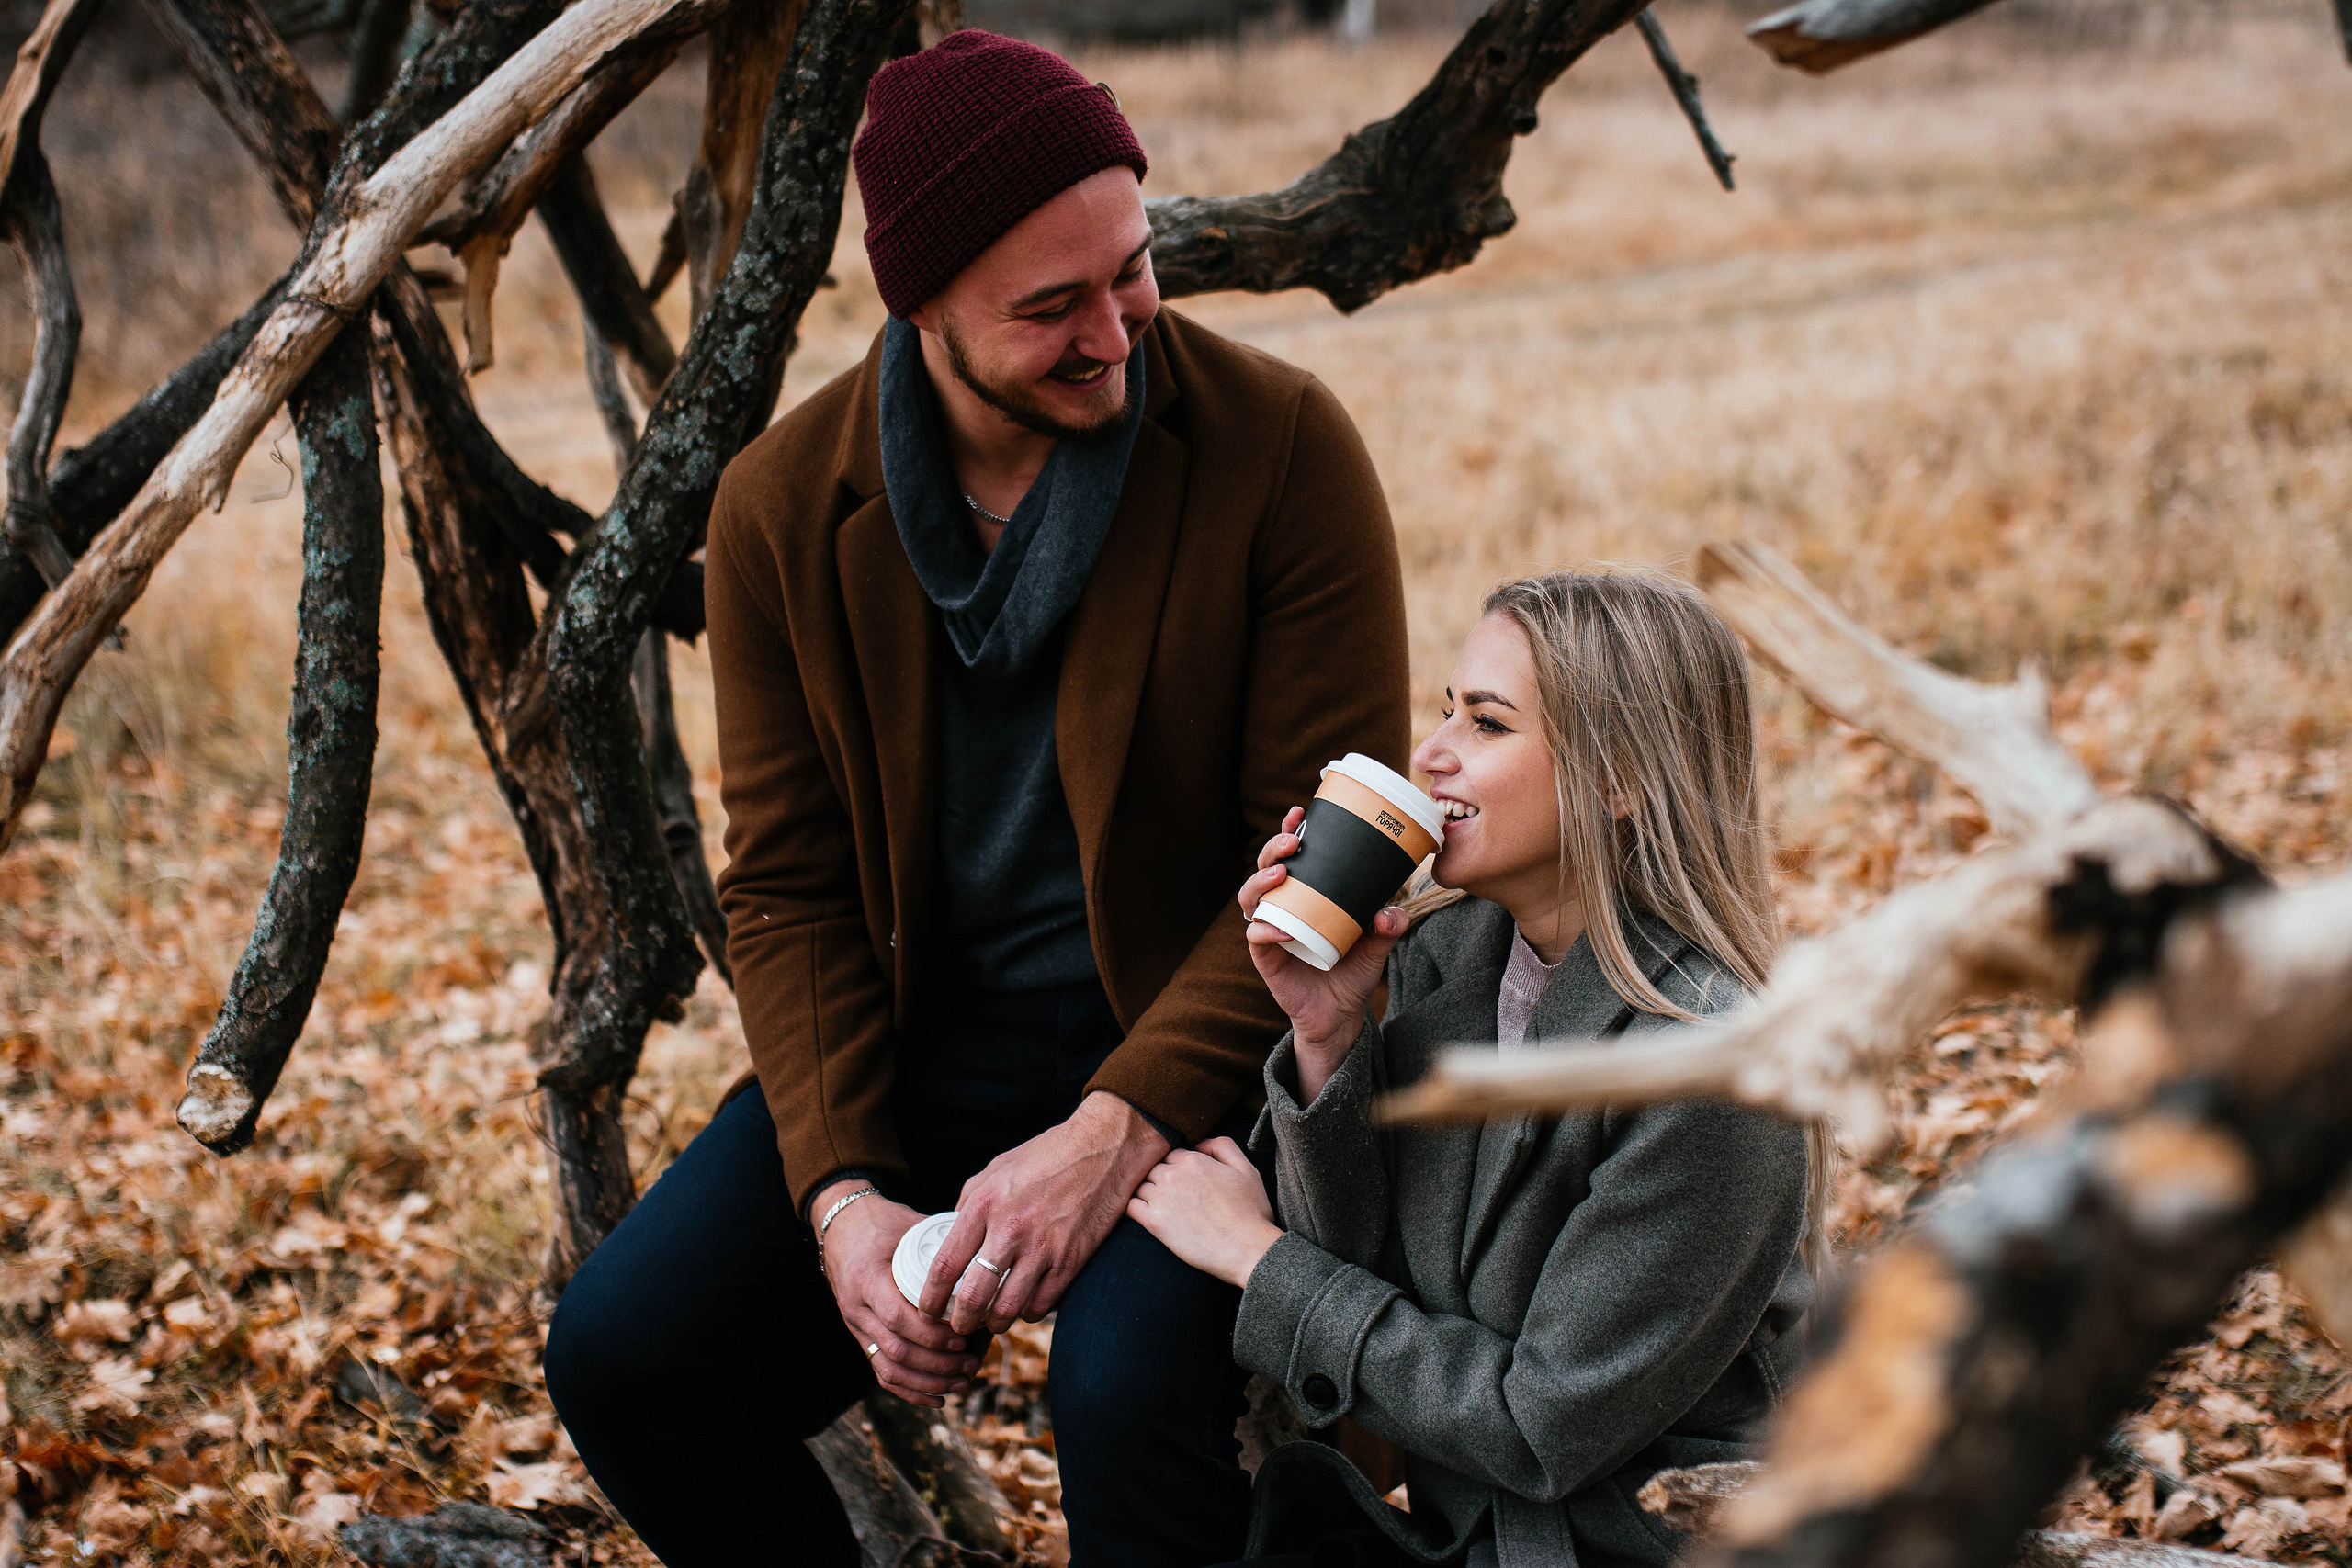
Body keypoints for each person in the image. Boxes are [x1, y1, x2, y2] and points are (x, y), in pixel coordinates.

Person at [540, 28, 1410, 1568]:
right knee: (627, 1359)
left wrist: (1109, 1135)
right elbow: (792, 886)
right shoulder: (777, 512)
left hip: (1213, 1047)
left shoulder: (1278, 448)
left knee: (1128, 1386)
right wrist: (844, 1204)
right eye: (1051, 307)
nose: (1116, 330)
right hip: (929, 1040)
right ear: (922, 302)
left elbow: (1325, 866)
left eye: (1129, 271)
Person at [1130, 569, 1827, 1568]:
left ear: (1620, 778)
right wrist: (1328, 1036)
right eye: (1447, 711)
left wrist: (1253, 1257)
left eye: (1487, 725)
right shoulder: (1448, 956)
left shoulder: (1713, 1072)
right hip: (1463, 1535)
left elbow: (1534, 1427)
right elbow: (1360, 1260)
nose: (1432, 753)